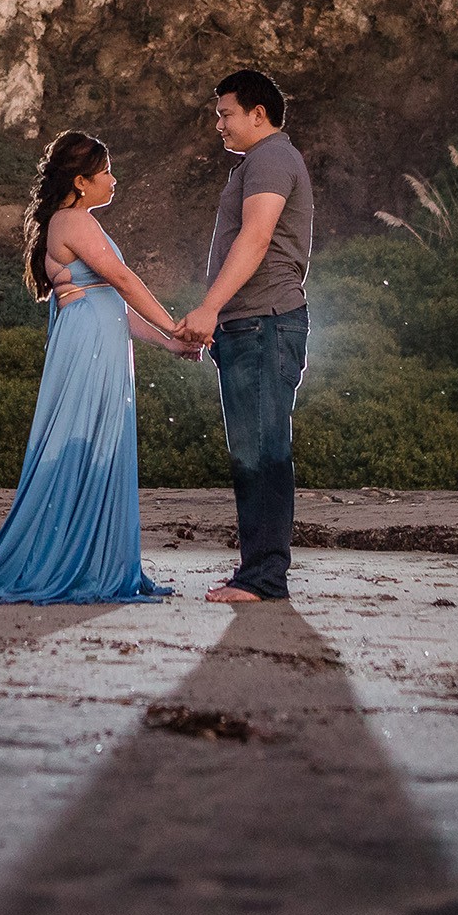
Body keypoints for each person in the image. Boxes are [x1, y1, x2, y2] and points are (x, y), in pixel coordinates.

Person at [0, 131, 196, 605]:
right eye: (105, 173)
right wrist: (176, 325)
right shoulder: (73, 221)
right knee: (85, 440)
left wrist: (167, 343)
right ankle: (74, 561)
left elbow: (112, 308)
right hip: (90, 348)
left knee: (99, 441)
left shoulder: (73, 222)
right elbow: (121, 280)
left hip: (99, 341)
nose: (113, 181)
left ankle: (93, 559)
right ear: (80, 181)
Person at [178, 69, 313, 603]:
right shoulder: (259, 162)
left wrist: (210, 307)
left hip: (265, 324)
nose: (219, 125)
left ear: (258, 114)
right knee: (251, 451)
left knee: (263, 452)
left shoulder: (272, 157)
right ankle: (256, 573)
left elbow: (256, 238)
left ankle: (263, 578)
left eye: (225, 113)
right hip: (251, 326)